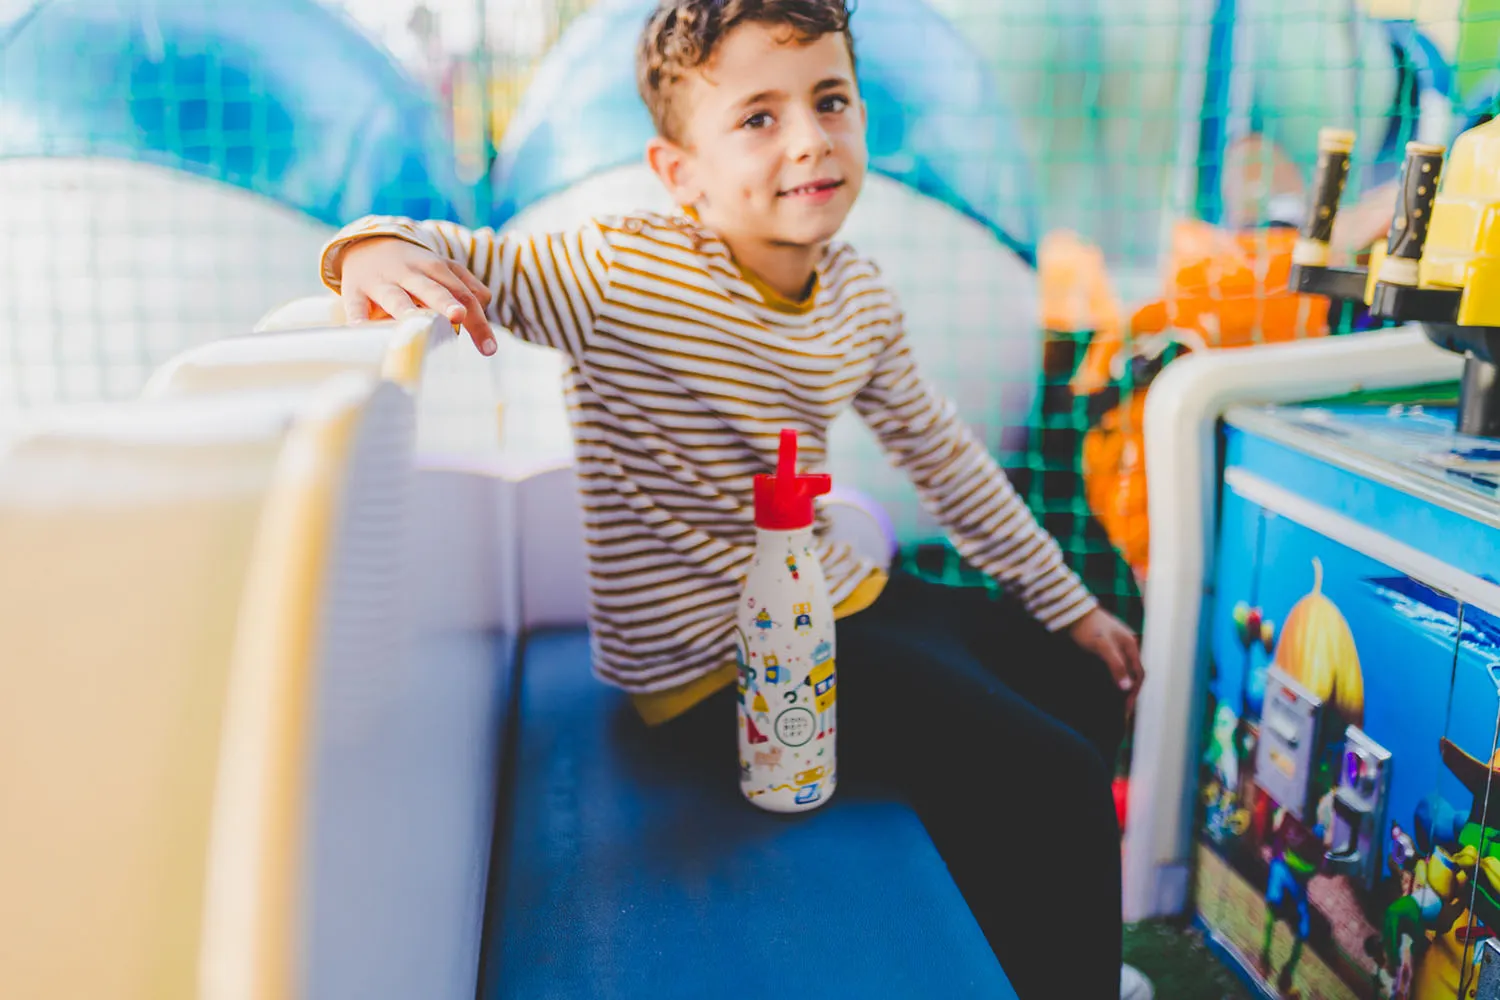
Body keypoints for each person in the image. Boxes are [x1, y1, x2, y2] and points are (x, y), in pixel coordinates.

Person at [317, 2, 1149, 996]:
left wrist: (1074, 609)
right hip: (721, 668)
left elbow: (949, 463)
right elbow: (463, 254)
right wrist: (366, 249)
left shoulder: (856, 293)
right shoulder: (623, 272)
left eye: (830, 100)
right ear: (681, 172)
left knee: (1076, 675)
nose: (809, 140)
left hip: (829, 595)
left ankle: (1019, 922)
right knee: (1053, 776)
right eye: (759, 117)